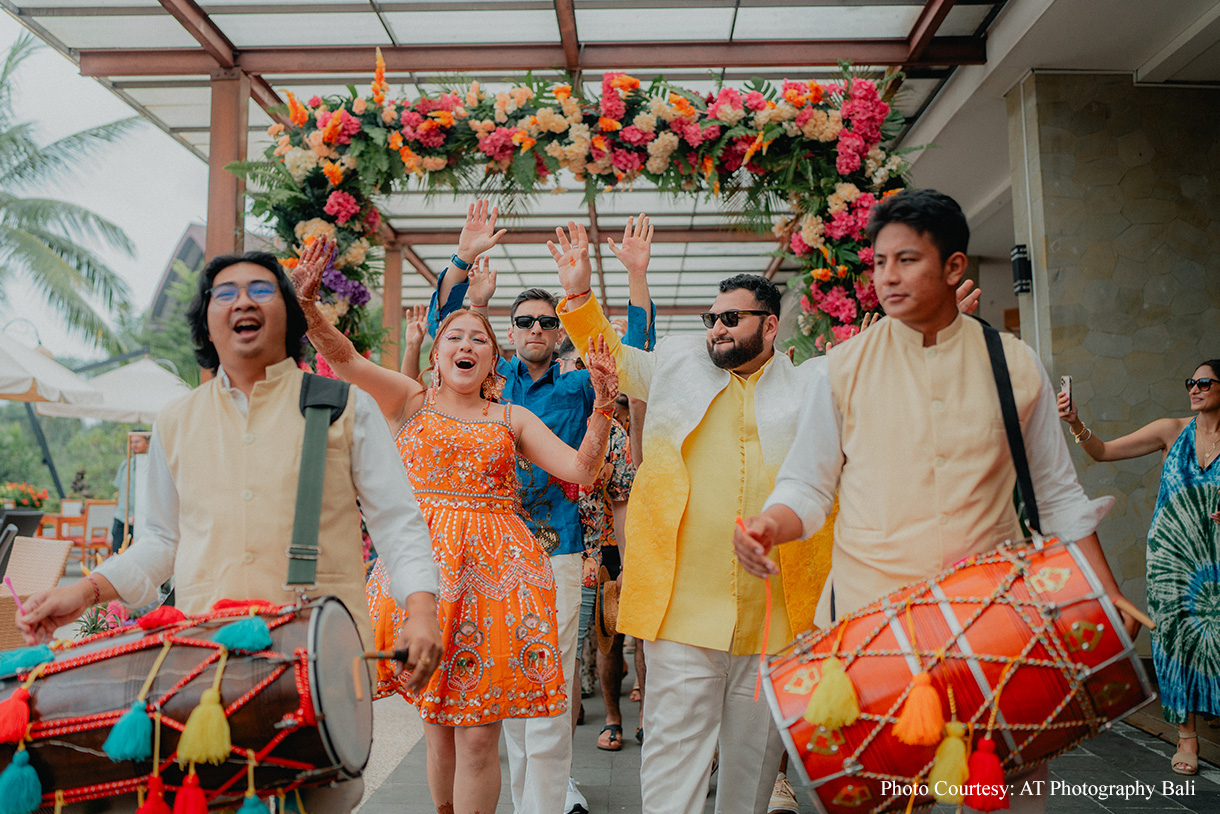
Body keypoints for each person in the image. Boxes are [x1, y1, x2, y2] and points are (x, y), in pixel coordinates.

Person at [734, 188, 1139, 814]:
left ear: (954, 268)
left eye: (906, 261)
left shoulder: (1013, 364)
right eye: (878, 263)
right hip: (875, 628)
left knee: (1014, 798)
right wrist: (771, 524)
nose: (887, 277)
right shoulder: (842, 367)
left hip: (996, 623)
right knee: (894, 800)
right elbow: (807, 487)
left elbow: (1057, 493)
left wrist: (1106, 599)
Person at [16, 250, 443, 813]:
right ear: (208, 323)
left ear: (289, 315)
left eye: (262, 289)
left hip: (321, 663)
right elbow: (160, 544)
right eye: (226, 292)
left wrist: (422, 612)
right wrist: (85, 589)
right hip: (202, 665)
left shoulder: (346, 407)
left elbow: (399, 526)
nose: (243, 299)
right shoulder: (175, 420)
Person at [293, 235, 620, 814]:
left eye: (480, 340)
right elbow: (345, 360)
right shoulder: (411, 400)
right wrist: (310, 306)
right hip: (426, 576)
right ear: (437, 353)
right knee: (438, 727)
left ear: (495, 360)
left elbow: (582, 470)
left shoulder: (510, 416)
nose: (467, 345)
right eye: (455, 337)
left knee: (478, 734)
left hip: (500, 580)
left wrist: (600, 406)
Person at [556, 230, 833, 812]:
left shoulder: (811, 385)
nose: (718, 328)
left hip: (775, 617)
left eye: (733, 317)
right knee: (672, 763)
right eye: (713, 317)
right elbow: (609, 354)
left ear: (771, 325)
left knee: (753, 771)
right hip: (682, 611)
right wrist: (580, 295)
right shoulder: (678, 365)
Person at [429, 204, 653, 814]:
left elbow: (628, 357)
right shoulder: (488, 381)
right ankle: (542, 792)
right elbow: (445, 336)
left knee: (547, 691)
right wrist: (462, 259)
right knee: (497, 693)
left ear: (558, 332)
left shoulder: (580, 383)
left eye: (545, 322)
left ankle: (546, 803)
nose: (533, 329)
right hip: (483, 555)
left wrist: (602, 286)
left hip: (557, 548)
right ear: (510, 330)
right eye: (522, 321)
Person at [1059, 362, 1220, 775]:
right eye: (1191, 382)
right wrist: (1076, 423)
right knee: (1172, 640)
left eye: (1205, 383)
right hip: (1172, 557)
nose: (1195, 389)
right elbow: (1105, 451)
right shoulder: (1171, 430)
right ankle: (1187, 738)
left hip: (1217, 557)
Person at [110, 431, 149, 554]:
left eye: (137, 441)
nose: (133, 445)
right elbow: (120, 492)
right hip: (122, 516)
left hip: (142, 518)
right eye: (131, 442)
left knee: (140, 553)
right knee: (117, 552)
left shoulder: (151, 466)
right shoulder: (125, 465)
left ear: (147, 443)